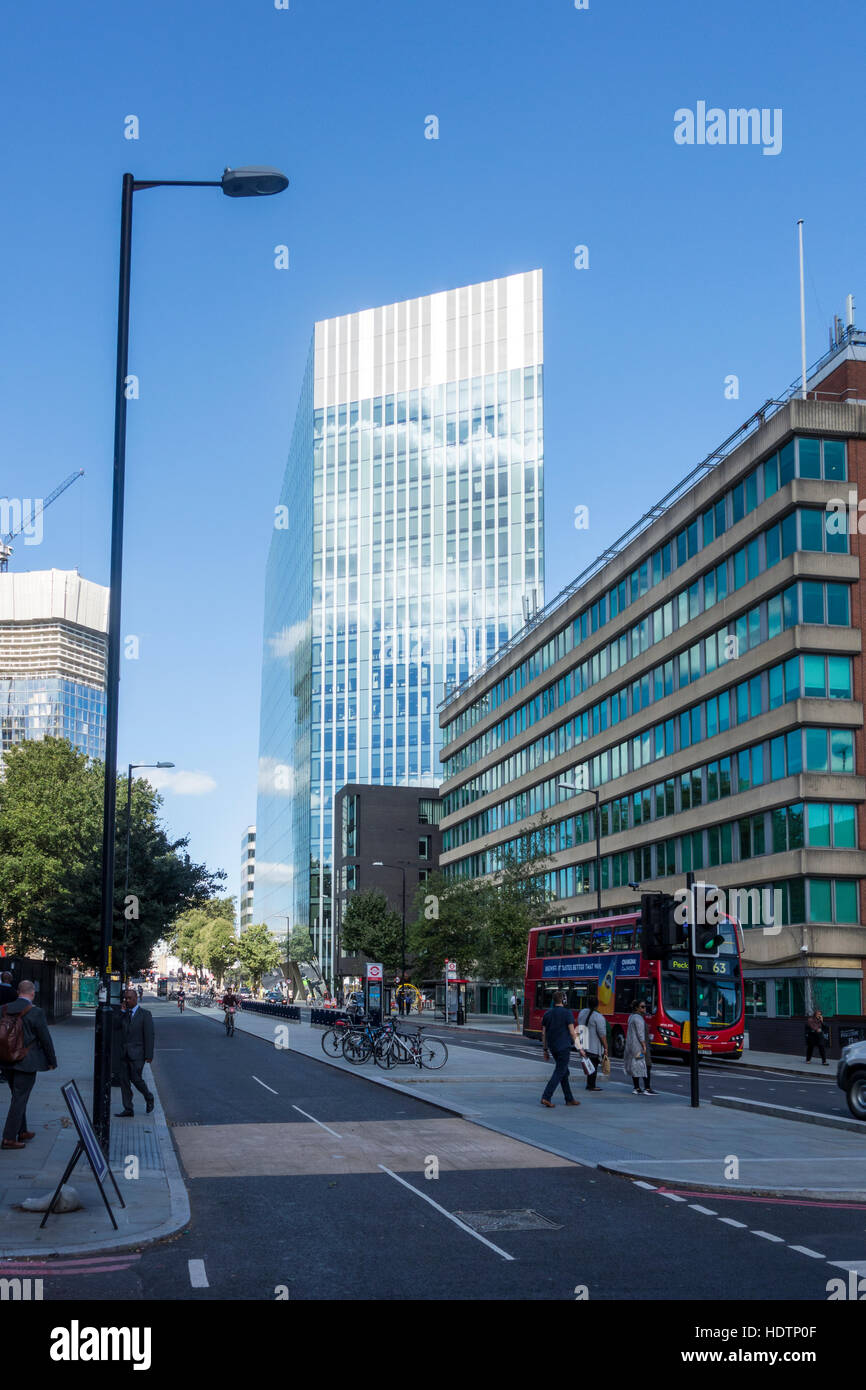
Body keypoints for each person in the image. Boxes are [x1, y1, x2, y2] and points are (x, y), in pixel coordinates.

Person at [1, 980, 58, 1149]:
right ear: (32, 994)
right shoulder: (36, 1012)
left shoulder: (3, 1009)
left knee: (17, 1096)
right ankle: (9, 1138)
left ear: (18, 992)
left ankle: (22, 1130)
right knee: (19, 1098)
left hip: (6, 1060)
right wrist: (52, 1061)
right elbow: (45, 1038)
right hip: (26, 1061)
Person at [540, 990, 585, 1108]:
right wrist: (580, 1048)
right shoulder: (567, 1013)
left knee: (564, 1072)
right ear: (564, 1000)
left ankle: (569, 1098)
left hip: (553, 1047)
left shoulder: (547, 1014)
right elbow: (572, 1032)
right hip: (563, 1047)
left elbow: (543, 1034)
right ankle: (546, 1096)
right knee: (560, 1071)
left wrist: (545, 1050)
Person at [115, 988, 155, 1118]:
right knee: (124, 1081)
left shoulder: (145, 1014)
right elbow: (115, 1026)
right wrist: (121, 1012)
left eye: (129, 998)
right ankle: (128, 1108)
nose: (126, 1000)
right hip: (124, 1053)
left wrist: (149, 1055)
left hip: (138, 1054)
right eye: (125, 998)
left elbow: (149, 1035)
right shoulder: (123, 1013)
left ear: (136, 998)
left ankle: (149, 1097)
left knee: (136, 1079)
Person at [577, 994, 608, 1092]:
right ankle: (591, 1085)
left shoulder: (582, 1013)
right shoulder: (598, 1017)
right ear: (597, 1005)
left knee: (589, 1064)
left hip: (584, 1043)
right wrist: (606, 1047)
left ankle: (590, 1084)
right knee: (593, 1065)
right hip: (593, 1045)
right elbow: (602, 1034)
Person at [624, 999, 654, 1094]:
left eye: (645, 1006)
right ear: (637, 1008)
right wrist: (644, 1046)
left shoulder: (631, 1017)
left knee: (636, 1066)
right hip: (640, 1047)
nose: (645, 1008)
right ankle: (647, 1088)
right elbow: (640, 1034)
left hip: (633, 1046)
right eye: (642, 1007)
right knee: (647, 1065)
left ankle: (636, 1088)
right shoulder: (638, 1018)